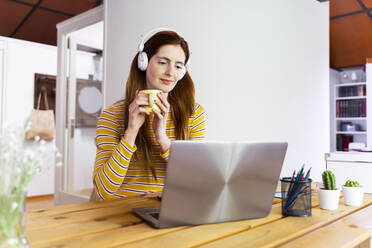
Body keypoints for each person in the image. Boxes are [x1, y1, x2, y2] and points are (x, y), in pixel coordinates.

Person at [92, 28, 207, 200]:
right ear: (143, 62)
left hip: (169, 208)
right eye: (162, 62)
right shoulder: (112, 115)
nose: (170, 72)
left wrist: (162, 139)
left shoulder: (194, 114)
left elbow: (196, 180)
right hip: (121, 213)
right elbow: (104, 190)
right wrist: (131, 132)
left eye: (178, 66)